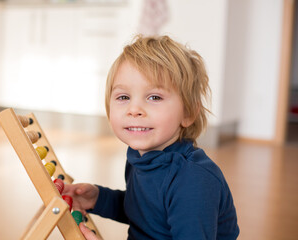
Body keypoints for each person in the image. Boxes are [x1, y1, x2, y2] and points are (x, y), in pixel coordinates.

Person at [62, 35, 239, 239]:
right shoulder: (141, 158)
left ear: (188, 113)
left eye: (154, 97)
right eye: (123, 97)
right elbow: (145, 214)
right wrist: (98, 199)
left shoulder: (192, 181)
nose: (134, 109)